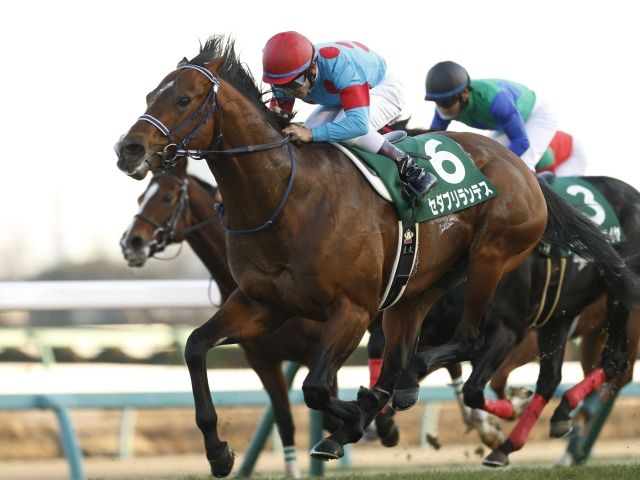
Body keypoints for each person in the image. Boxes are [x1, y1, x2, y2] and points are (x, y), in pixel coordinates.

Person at [261, 31, 437, 203]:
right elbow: (279, 120)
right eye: (280, 86)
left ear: (312, 68)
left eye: (294, 83)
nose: (288, 91)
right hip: (341, 97)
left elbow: (358, 125)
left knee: (340, 132)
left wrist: (311, 134)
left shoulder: (339, 64)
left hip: (382, 87)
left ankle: (413, 171)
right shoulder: (286, 77)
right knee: (310, 127)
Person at [424, 61, 558, 173]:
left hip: (538, 114)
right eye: (437, 102)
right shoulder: (444, 109)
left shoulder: (496, 101)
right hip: (507, 123)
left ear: (464, 94)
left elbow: (521, 142)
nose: (443, 109)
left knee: (522, 163)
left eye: (446, 102)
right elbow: (431, 141)